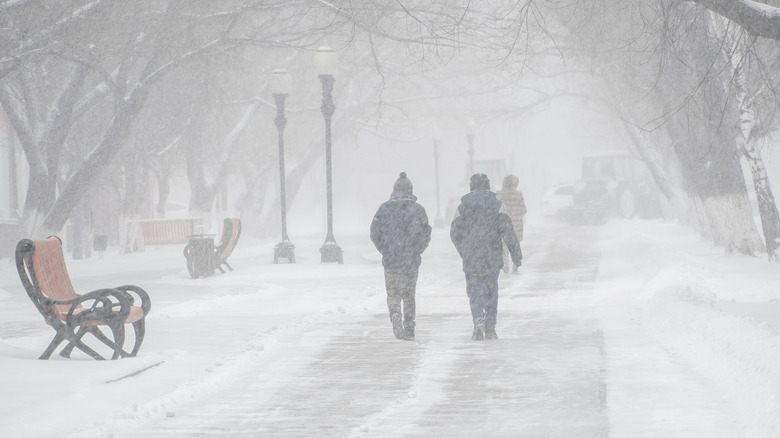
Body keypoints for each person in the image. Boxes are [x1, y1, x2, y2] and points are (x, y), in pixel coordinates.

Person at [450, 173, 522, 341]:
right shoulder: (498, 205)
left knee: (474, 291)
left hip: (471, 258)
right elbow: (508, 232)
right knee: (491, 291)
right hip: (492, 256)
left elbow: (454, 233)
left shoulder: (462, 207)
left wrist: (464, 250)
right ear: (488, 186)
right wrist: (516, 255)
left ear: (471, 186)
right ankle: (490, 326)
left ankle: (478, 320)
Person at [370, 172, 432, 341]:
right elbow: (426, 233)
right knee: (409, 294)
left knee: (393, 294)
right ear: (411, 190)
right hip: (411, 260)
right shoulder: (418, 210)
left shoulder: (383, 209)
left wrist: (385, 249)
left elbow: (374, 233)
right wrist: (418, 250)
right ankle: (410, 326)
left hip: (391, 259)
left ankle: (395, 313)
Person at [495, 174, 527, 273]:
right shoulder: (518, 194)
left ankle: (504, 264)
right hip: (515, 224)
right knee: (514, 245)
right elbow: (523, 209)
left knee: (503, 245)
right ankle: (515, 266)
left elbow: (495, 209)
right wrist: (517, 213)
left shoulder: (498, 194)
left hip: (502, 223)